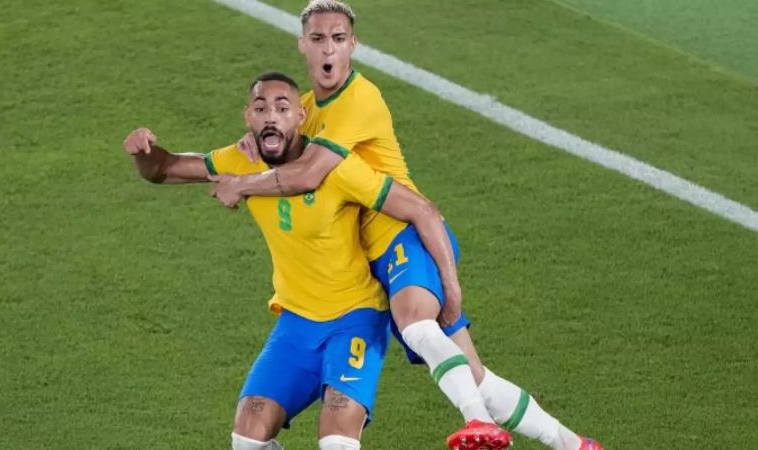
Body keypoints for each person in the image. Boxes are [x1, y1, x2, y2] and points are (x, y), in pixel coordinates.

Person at [198, 2, 602, 449]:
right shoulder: (308, 109)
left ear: (352, 44)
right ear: (303, 46)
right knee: (474, 375)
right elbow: (283, 130)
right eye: (318, 39)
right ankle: (574, 445)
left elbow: (311, 175)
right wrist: (251, 141)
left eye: (337, 38)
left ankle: (478, 424)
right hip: (376, 258)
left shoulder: (360, 98)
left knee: (415, 325)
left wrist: (245, 184)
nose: (328, 49)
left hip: (403, 233)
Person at [124, 72, 475, 450]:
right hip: (297, 322)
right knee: (247, 436)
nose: (271, 116)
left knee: (336, 442)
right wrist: (144, 152)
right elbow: (165, 169)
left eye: (282, 108)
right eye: (261, 108)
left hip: (354, 318)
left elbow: (420, 209)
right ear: (248, 118)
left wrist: (450, 289)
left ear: (300, 117)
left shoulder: (333, 166)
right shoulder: (242, 161)